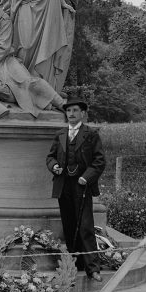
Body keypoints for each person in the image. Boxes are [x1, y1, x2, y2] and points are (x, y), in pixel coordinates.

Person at [46, 98, 105, 281]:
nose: (71, 114)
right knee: (69, 225)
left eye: (75, 110)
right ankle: (75, 263)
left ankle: (92, 268)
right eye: (68, 111)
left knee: (85, 225)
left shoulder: (91, 134)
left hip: (82, 185)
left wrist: (85, 177)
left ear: (83, 113)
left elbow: (99, 161)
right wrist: (54, 166)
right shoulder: (60, 134)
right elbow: (50, 157)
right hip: (64, 184)